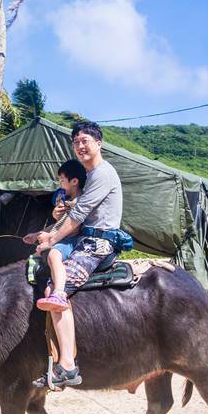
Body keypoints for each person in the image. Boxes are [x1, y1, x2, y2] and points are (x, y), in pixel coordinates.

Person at [32, 121, 124, 388]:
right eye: (76, 142)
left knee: (54, 290)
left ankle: (68, 366)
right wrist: (53, 225)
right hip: (85, 241)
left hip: (98, 245)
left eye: (85, 140)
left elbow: (79, 217)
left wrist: (51, 239)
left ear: (99, 143)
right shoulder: (91, 175)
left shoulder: (103, 173)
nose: (80, 146)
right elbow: (75, 213)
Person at [23, 159, 88, 294]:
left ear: (74, 181)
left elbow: (72, 228)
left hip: (70, 241)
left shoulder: (80, 203)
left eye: (62, 181)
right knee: (35, 254)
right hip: (60, 238)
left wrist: (50, 237)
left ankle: (59, 291)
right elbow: (58, 225)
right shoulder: (68, 203)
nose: (60, 184)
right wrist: (37, 235)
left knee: (53, 255)